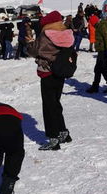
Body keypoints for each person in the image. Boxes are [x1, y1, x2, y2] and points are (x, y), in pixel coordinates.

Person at [26, 11, 74, 151]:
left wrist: (30, 42)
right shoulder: (66, 33)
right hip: (60, 71)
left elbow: (33, 51)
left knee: (48, 106)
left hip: (47, 72)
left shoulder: (46, 34)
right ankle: (63, 132)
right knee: (56, 103)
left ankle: (53, 138)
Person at [86, 12, 107, 94]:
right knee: (98, 69)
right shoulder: (100, 25)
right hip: (101, 50)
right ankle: (96, 86)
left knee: (102, 69)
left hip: (104, 50)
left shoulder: (102, 26)